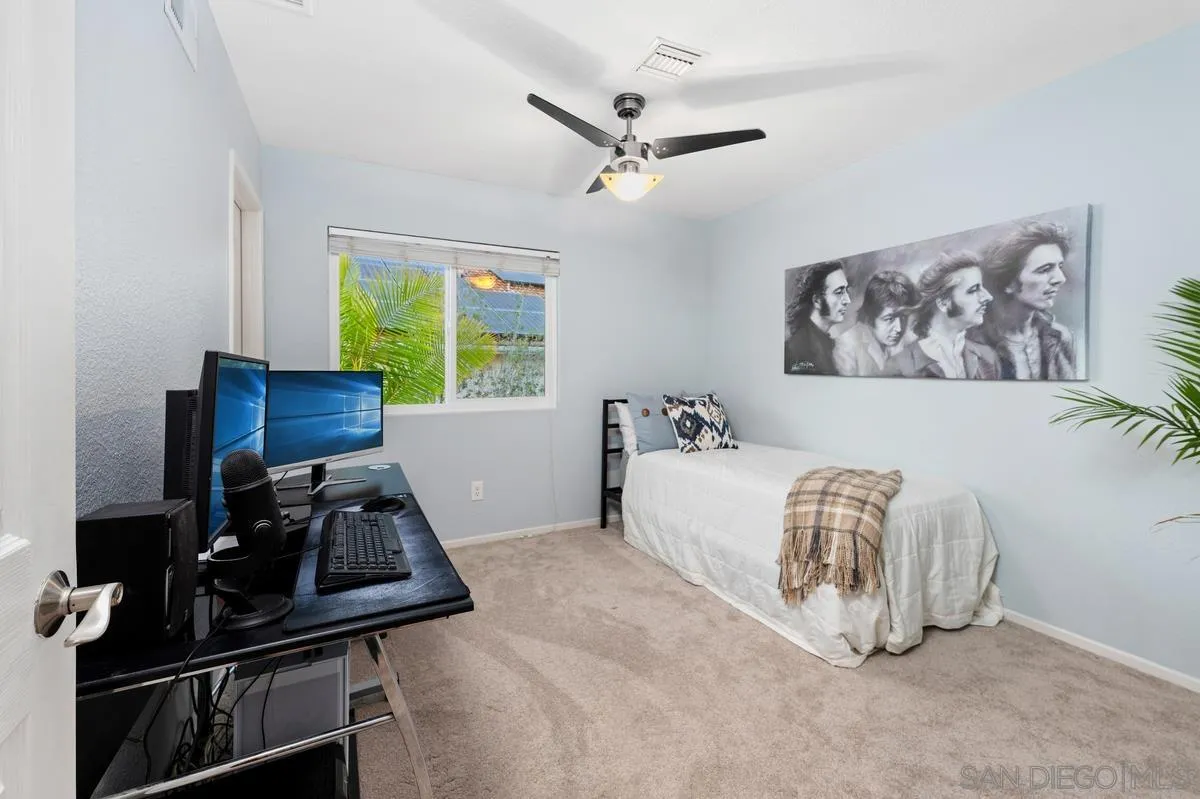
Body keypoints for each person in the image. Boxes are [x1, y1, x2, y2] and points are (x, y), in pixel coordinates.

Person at [970, 220, 1077, 380]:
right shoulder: (972, 344)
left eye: (1059, 267)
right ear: (1008, 282)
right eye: (1045, 270)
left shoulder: (1060, 337)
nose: (1060, 279)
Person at [884, 252, 1000, 379]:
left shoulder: (988, 358)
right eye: (973, 290)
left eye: (982, 288)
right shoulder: (901, 366)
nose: (988, 297)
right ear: (943, 303)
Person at [833, 271, 918, 376]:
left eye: (903, 317)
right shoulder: (848, 344)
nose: (899, 328)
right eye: (889, 319)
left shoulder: (907, 344)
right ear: (870, 317)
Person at [783, 261, 852, 375]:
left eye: (846, 291)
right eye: (839, 292)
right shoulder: (796, 349)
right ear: (817, 300)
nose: (847, 300)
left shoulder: (828, 343)